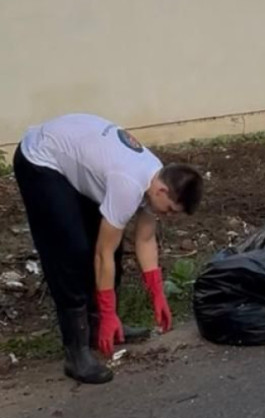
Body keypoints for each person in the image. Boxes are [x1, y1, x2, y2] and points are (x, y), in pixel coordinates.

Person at [13, 113, 204, 385]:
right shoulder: (129, 184)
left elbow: (145, 240)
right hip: (41, 160)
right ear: (161, 191)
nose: (170, 216)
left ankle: (98, 325)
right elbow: (102, 254)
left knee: (112, 245)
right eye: (172, 210)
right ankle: (76, 350)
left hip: (77, 154)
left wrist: (157, 294)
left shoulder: (157, 177)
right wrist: (108, 312)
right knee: (72, 252)